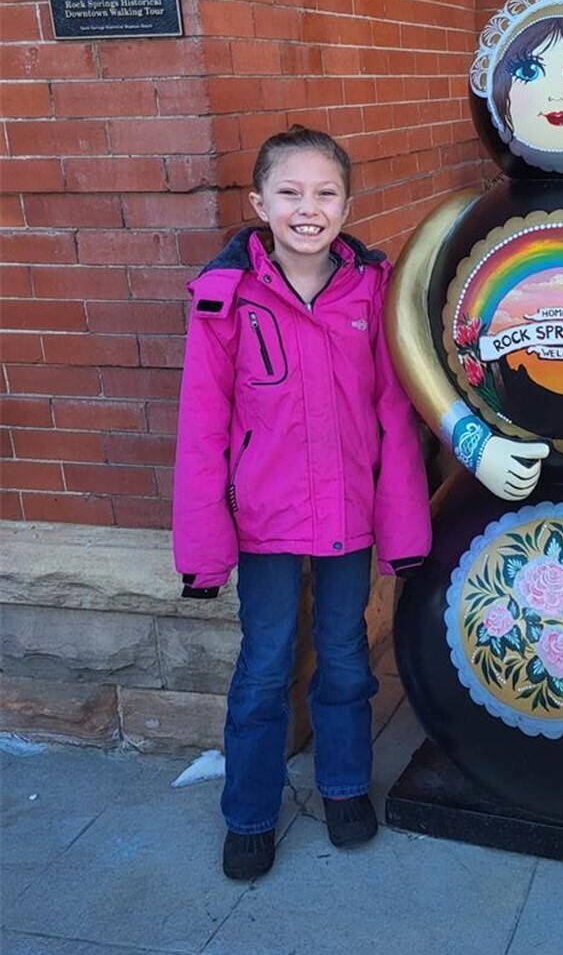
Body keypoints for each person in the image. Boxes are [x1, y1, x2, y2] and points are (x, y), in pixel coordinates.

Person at [172, 125, 431, 880]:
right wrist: (204, 549)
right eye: (289, 192)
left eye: (325, 193)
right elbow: (202, 429)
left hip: (348, 518)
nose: (307, 208)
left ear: (347, 204)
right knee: (264, 665)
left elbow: (394, 415)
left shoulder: (373, 294)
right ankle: (249, 812)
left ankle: (345, 786)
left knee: (347, 657)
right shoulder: (227, 298)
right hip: (264, 524)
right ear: (260, 203)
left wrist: (404, 528)